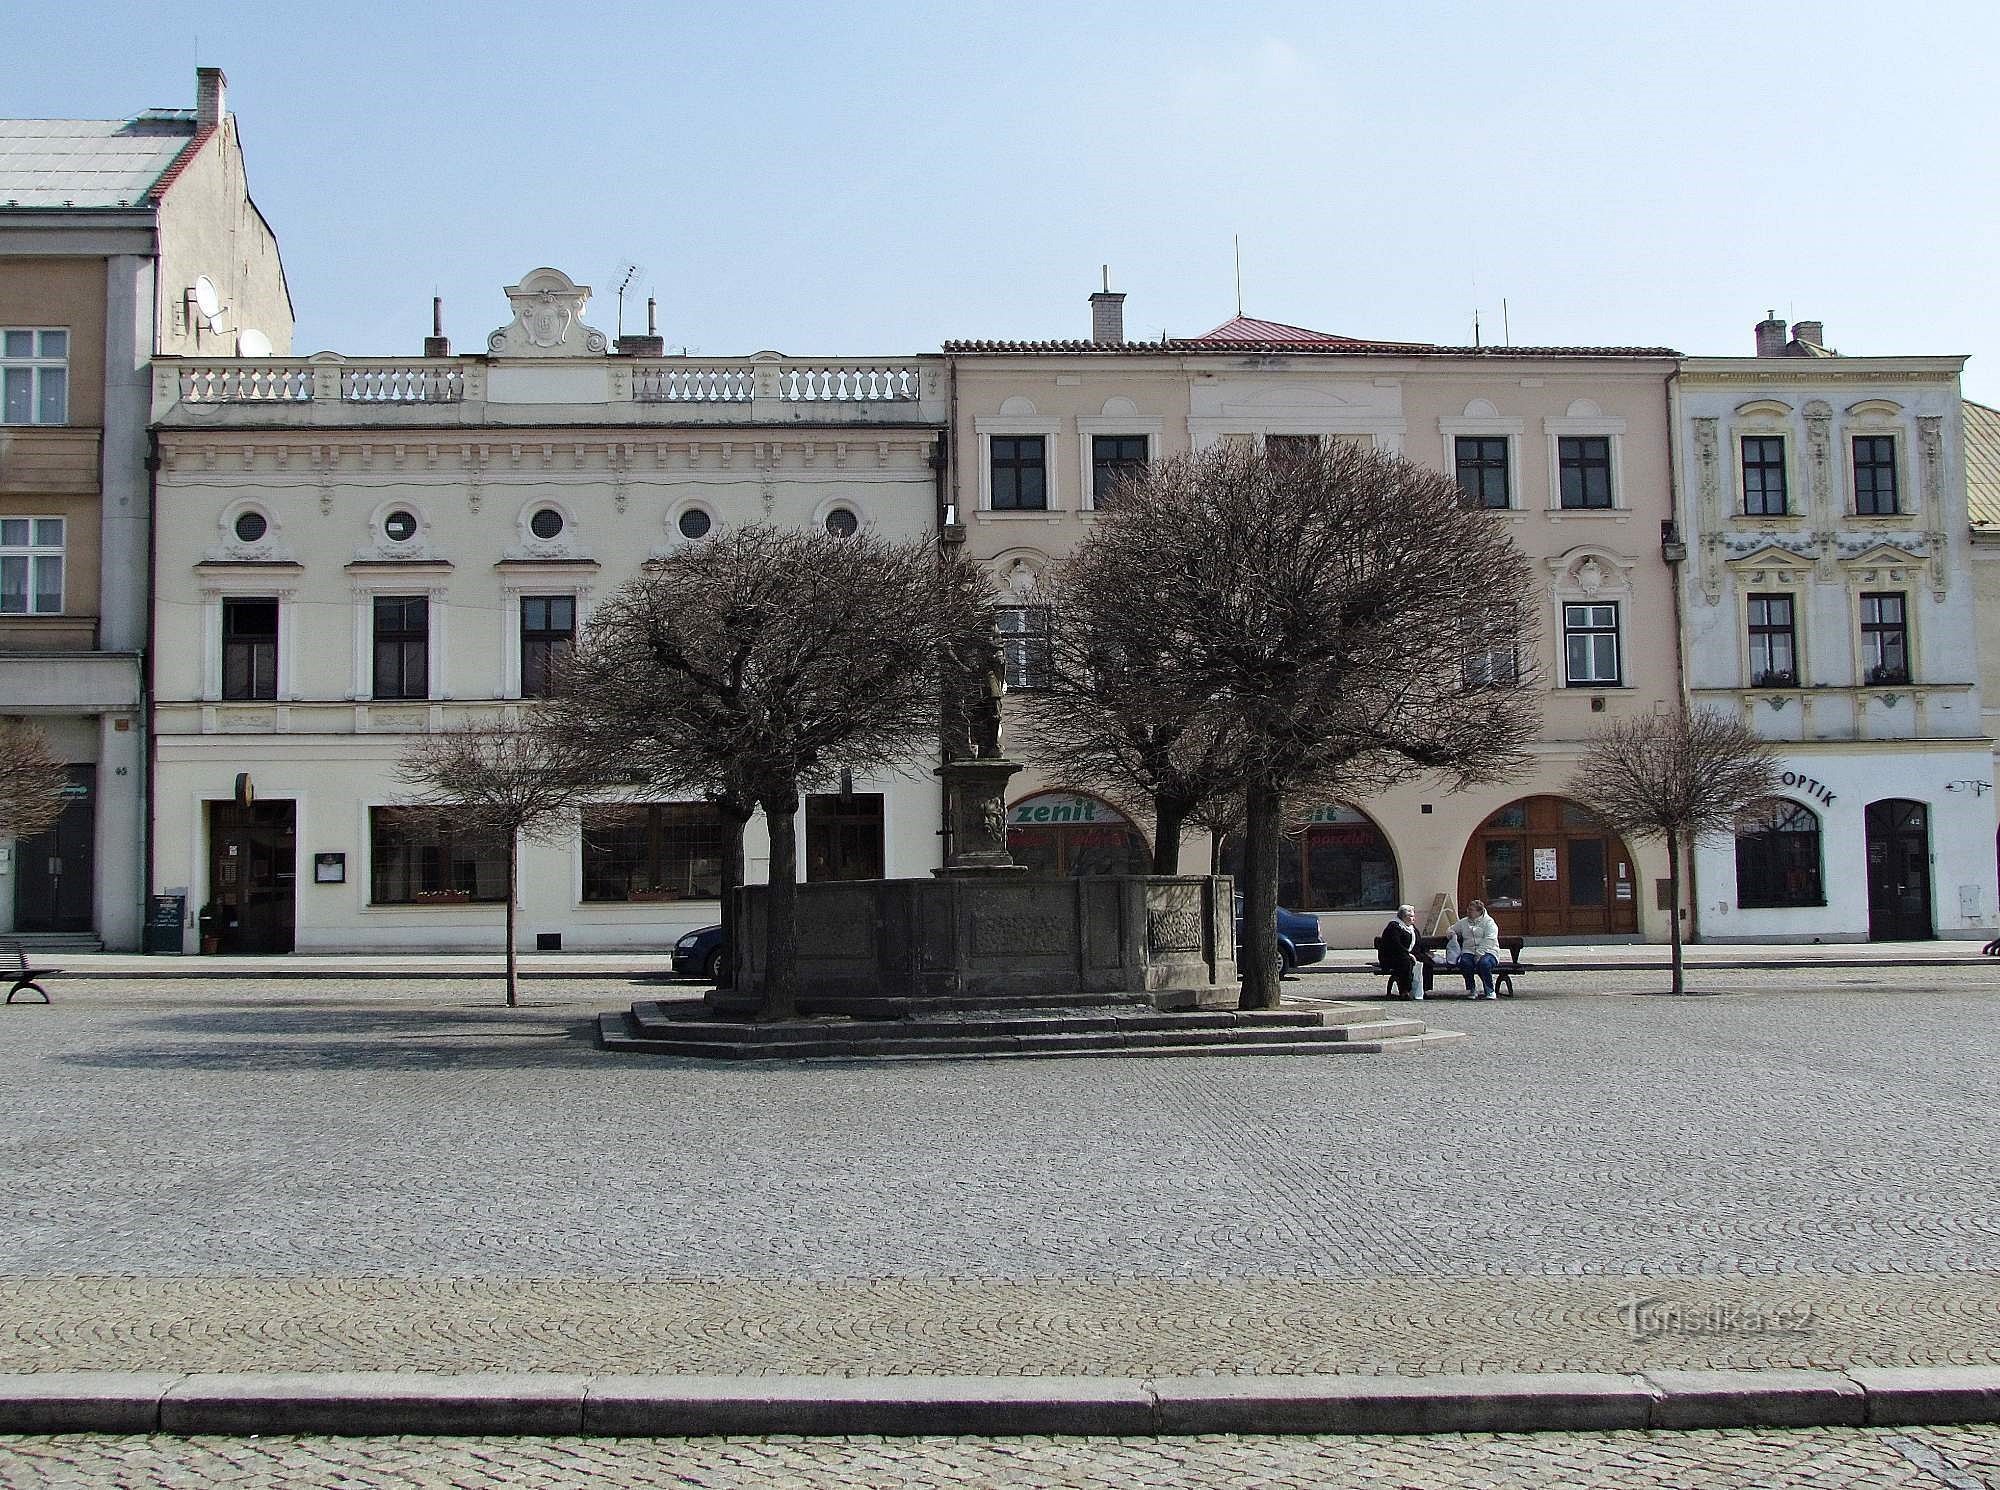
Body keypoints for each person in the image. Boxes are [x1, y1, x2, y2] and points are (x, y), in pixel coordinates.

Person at [1451, 899, 1502, 999]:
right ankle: (1471, 989)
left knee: (1484, 963)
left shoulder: (1489, 922)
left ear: (1479, 912)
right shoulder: (1463, 922)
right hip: (1469, 951)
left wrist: (1479, 953)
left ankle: (1490, 991)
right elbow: (1452, 928)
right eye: (1468, 909)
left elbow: (1490, 939)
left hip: (1489, 951)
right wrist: (1451, 934)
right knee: (1465, 962)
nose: (1468, 912)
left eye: (1471, 910)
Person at [1379, 904, 1422, 1000]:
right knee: (1406, 962)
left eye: (1413, 916)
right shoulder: (1394, 927)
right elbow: (1395, 945)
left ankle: (1422, 990)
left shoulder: (1411, 928)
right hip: (1392, 957)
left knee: (1426, 961)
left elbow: (1418, 943)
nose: (1413, 918)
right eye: (1410, 916)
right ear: (1403, 917)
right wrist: (1408, 954)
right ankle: (1405, 991)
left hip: (1406, 955)